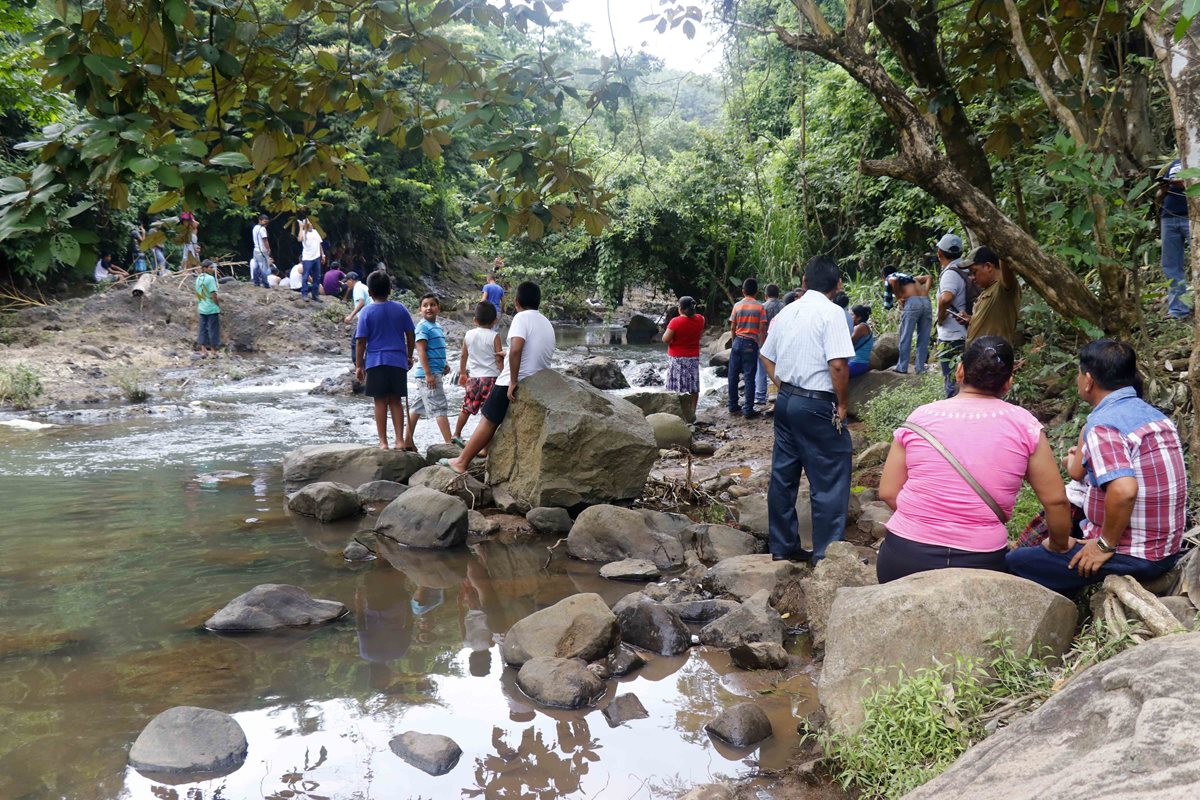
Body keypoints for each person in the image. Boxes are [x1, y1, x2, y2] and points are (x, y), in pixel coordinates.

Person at [875, 337, 1070, 583]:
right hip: (980, 561)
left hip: (904, 556)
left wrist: (930, 522)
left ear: (959, 371)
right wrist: (1059, 546)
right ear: (1008, 383)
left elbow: (888, 492)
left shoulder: (920, 418)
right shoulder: (1025, 425)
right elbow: (1056, 501)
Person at [1007, 339, 1186, 594]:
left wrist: (1103, 545)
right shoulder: (1156, 417)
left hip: (1138, 554)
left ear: (1088, 380)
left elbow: (1124, 490)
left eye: (1079, 375)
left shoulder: (1105, 425)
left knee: (1017, 562)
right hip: (1165, 546)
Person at [759, 256, 856, 562]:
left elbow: (765, 354)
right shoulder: (833, 313)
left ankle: (783, 546)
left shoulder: (788, 311)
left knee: (784, 475)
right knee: (830, 473)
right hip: (816, 403)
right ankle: (826, 554)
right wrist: (842, 404)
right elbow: (838, 364)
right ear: (838, 286)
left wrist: (783, 383)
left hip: (787, 401)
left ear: (804, 282)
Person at [444, 281, 555, 475]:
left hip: (517, 379)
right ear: (539, 302)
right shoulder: (545, 321)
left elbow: (518, 349)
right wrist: (507, 352)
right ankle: (485, 451)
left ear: (517, 301)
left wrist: (512, 381)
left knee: (488, 417)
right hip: (540, 380)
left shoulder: (521, 319)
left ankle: (461, 462)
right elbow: (527, 349)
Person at [355, 271, 417, 449]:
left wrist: (359, 365)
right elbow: (410, 334)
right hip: (397, 361)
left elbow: (361, 341)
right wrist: (409, 355)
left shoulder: (366, 312)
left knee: (380, 401)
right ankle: (399, 440)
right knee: (396, 401)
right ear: (390, 290)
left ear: (370, 292)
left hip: (375, 361)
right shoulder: (400, 308)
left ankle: (383, 442)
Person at [405, 293, 453, 450]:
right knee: (440, 406)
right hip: (428, 375)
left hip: (433, 372)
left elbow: (436, 350)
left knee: (417, 407)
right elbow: (421, 351)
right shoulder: (422, 327)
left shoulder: (437, 327)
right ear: (420, 309)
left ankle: (407, 442)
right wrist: (428, 374)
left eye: (432, 305)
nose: (429, 308)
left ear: (438, 308)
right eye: (425, 305)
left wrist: (444, 364)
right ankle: (449, 443)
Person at [454, 302, 504, 446]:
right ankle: (485, 446)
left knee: (467, 407)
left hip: (474, 379)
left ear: (474, 320)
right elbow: (498, 359)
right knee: (488, 414)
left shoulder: (469, 334)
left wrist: (463, 373)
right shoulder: (495, 336)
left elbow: (463, 355)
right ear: (495, 321)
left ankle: (456, 433)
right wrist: (504, 374)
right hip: (491, 379)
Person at [933, 233, 968, 397]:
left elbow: (946, 297)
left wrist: (940, 317)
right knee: (965, 381)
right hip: (966, 331)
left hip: (952, 337)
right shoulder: (967, 268)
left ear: (940, 253)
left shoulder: (950, 273)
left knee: (952, 383)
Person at [963, 245, 1020, 344]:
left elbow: (1006, 264)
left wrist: (998, 243)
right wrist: (971, 320)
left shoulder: (1003, 288)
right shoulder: (987, 290)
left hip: (993, 357)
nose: (972, 278)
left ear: (988, 267)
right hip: (980, 357)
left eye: (974, 271)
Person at [1158, 159, 1191, 319]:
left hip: (1192, 217)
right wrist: (1164, 189)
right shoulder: (1172, 165)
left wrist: (1186, 184)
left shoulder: (1195, 160)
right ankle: (1178, 310)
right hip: (1168, 217)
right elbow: (1159, 197)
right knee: (1170, 265)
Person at [728, 278, 766, 418]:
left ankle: (732, 405)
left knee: (733, 375)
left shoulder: (737, 306)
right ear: (757, 292)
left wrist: (734, 342)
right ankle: (748, 409)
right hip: (751, 343)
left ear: (743, 291)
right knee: (749, 377)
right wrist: (761, 346)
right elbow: (762, 329)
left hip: (738, 341)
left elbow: (733, 327)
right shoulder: (760, 307)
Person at [885, 265, 932, 374]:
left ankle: (902, 367)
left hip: (912, 303)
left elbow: (892, 280)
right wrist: (925, 291)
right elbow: (929, 277)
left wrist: (898, 297)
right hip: (926, 302)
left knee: (906, 336)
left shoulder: (892, 277)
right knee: (924, 337)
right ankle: (920, 368)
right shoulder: (912, 279)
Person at [663, 295, 705, 418]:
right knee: (693, 386)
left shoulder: (675, 322)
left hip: (677, 358)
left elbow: (665, 339)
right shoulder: (700, 319)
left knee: (676, 387)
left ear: (680, 308)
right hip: (693, 357)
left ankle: (677, 414)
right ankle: (692, 413)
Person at [754, 285, 786, 406]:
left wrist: (761, 343)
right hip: (780, 343)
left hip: (764, 342)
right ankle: (777, 394)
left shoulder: (762, 307)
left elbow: (760, 327)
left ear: (765, 295)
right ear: (778, 295)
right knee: (778, 369)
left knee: (761, 369)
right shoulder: (784, 307)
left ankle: (760, 396)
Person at [195, 258, 221, 357]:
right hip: (211, 308)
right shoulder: (210, 279)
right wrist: (217, 305)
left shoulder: (198, 278)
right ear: (205, 268)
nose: (212, 269)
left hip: (202, 307)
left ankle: (203, 351)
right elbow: (213, 294)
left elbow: (198, 293)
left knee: (203, 329)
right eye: (211, 267)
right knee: (213, 329)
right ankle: (214, 351)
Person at [297, 214, 324, 302]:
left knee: (317, 276)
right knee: (305, 276)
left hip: (316, 257)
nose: (311, 224)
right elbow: (299, 239)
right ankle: (304, 294)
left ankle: (315, 294)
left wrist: (322, 255)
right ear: (306, 226)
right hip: (307, 258)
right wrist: (301, 228)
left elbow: (319, 244)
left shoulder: (315, 232)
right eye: (309, 223)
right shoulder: (304, 233)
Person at [343, 272, 368, 363]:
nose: (346, 284)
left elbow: (361, 302)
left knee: (356, 342)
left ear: (351, 280)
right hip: (370, 317)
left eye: (347, 281)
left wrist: (350, 316)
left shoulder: (357, 288)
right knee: (368, 342)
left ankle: (358, 365)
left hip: (365, 318)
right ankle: (367, 364)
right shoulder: (363, 286)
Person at [848, 305, 874, 378]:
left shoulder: (861, 327)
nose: (850, 317)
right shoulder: (862, 326)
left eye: (852, 314)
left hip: (857, 364)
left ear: (859, 317)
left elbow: (849, 344)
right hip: (859, 363)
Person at [251, 214, 271, 288]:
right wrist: (268, 249)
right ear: (260, 220)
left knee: (256, 266)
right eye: (264, 221)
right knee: (264, 268)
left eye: (266, 222)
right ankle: (266, 283)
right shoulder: (262, 229)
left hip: (255, 249)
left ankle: (256, 282)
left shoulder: (255, 228)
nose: (265, 223)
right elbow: (265, 240)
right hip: (261, 251)